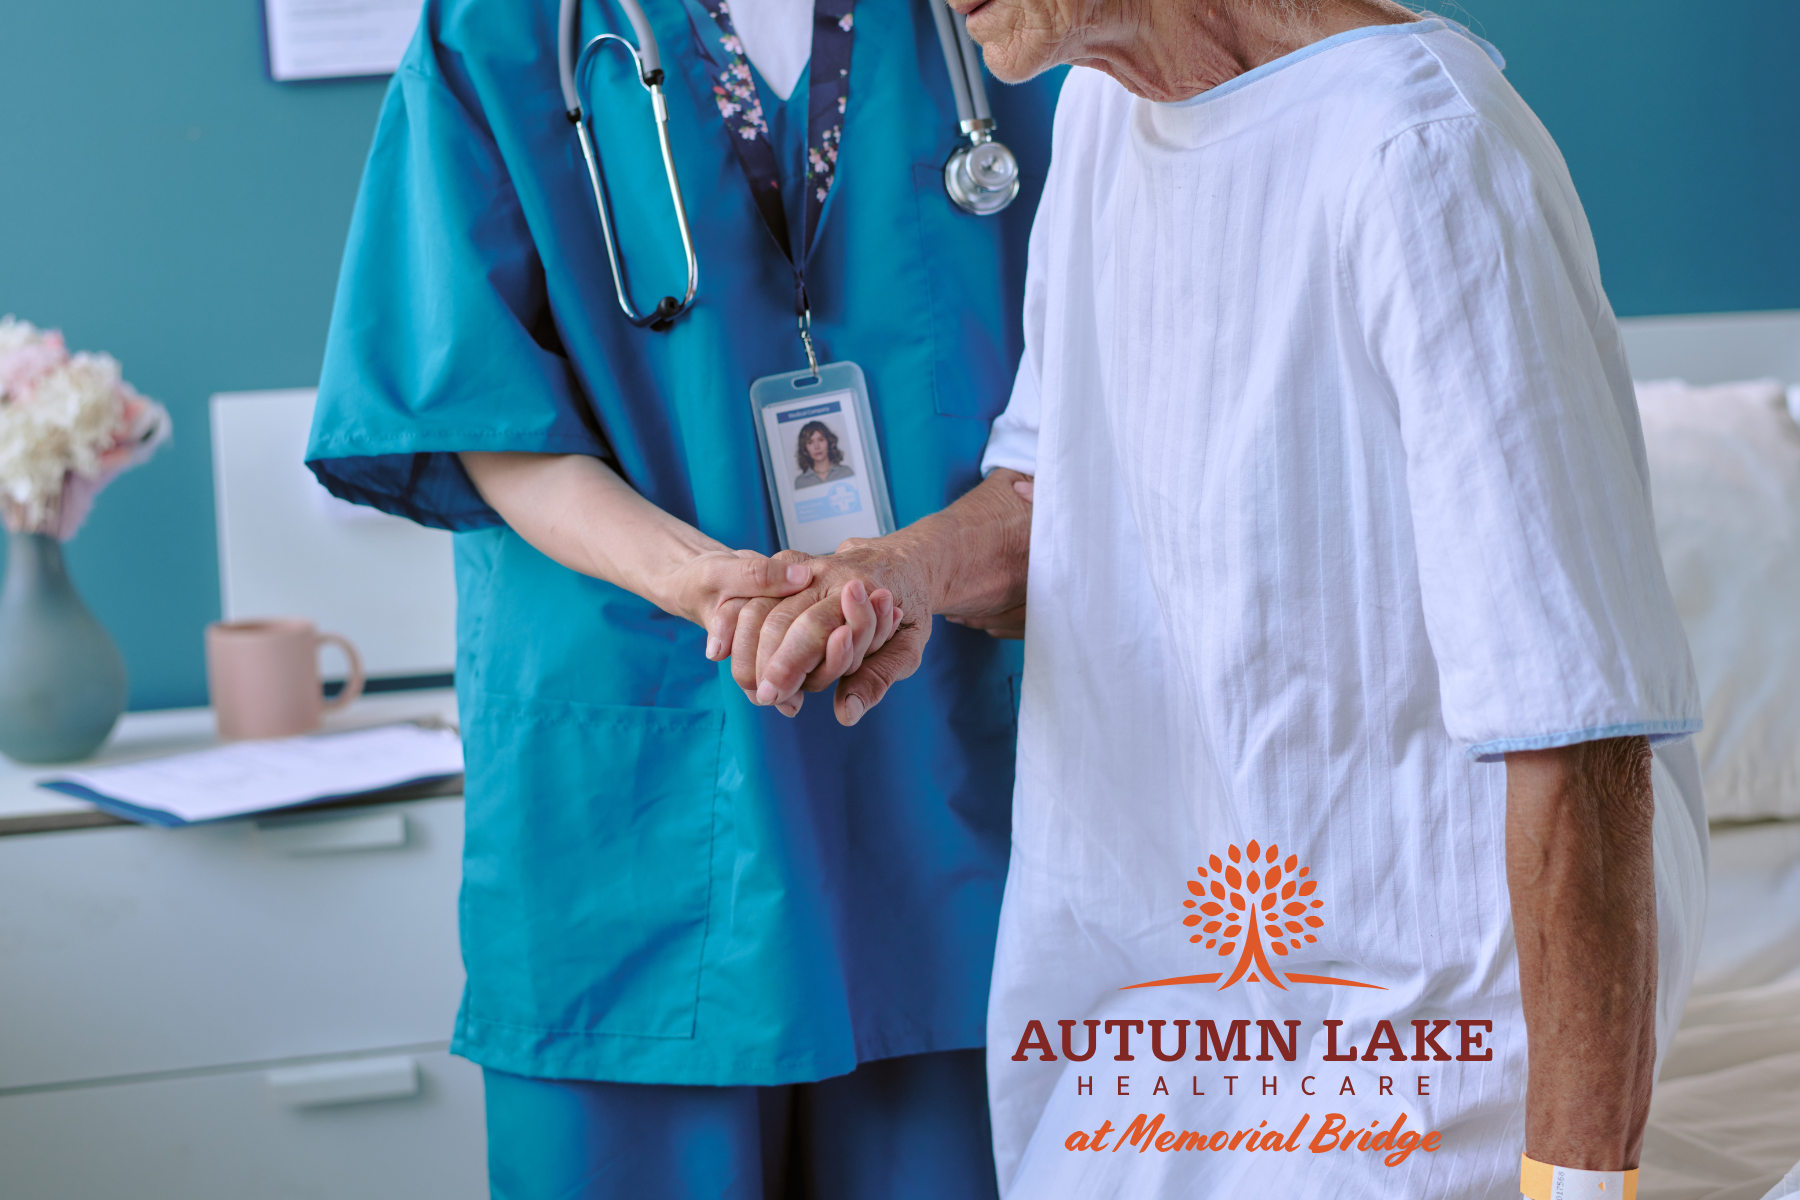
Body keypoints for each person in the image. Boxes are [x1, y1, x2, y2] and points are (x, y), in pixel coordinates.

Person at [730, 0, 1709, 1195]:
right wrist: (897, 574)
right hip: (1163, 1024)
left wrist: (1580, 1185)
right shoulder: (1102, 114)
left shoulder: (1425, 153)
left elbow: (1579, 727)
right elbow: (1059, 494)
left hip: (1425, 1046)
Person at [303, 0, 1062, 1195]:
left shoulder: (995, 28)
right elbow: (478, 407)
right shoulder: (503, 35)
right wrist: (708, 581)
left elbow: (1095, 400)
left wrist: (904, 574)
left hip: (948, 772)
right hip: (642, 781)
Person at [794, 419, 855, 489]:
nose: (817, 447)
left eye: (821, 440)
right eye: (810, 442)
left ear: (829, 442)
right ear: (805, 448)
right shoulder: (801, 482)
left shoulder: (846, 473)